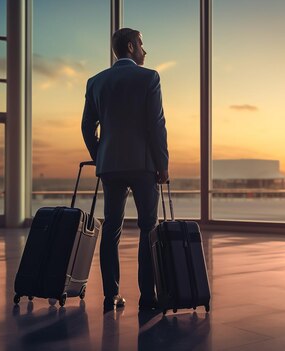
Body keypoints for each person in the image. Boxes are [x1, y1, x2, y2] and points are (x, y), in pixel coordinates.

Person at [81, 28, 169, 310]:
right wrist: (162, 165)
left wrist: (101, 156)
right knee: (148, 228)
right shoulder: (149, 78)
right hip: (143, 166)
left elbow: (86, 127)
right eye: (142, 45)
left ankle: (111, 295)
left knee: (111, 229)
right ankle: (148, 297)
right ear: (131, 47)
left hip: (111, 167)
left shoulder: (96, 82)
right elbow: (156, 126)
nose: (145, 51)